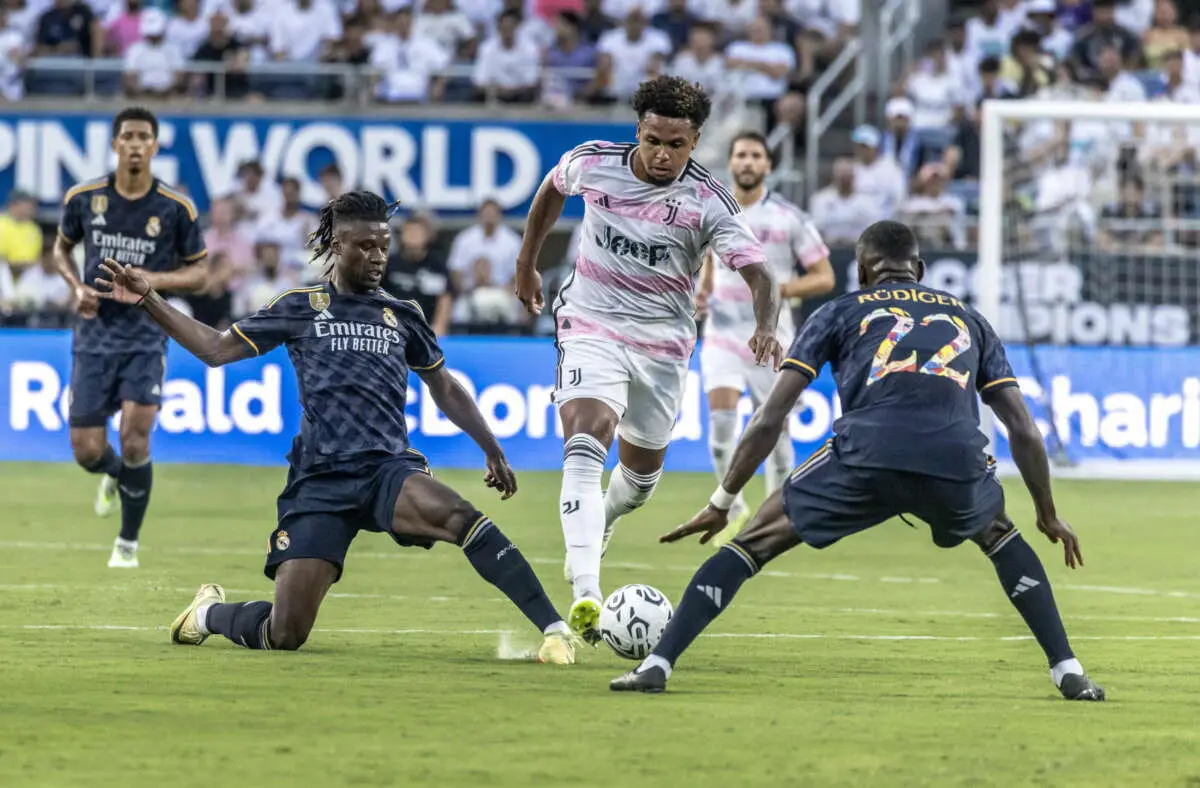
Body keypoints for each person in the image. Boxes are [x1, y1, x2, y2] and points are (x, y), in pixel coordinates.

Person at [610, 220, 1106, 702]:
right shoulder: (969, 319)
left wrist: (723, 500)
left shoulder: (842, 311)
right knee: (1001, 534)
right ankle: (1069, 671)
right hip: (954, 459)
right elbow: (1024, 428)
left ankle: (657, 664)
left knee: (754, 541)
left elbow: (770, 416)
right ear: (921, 268)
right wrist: (1046, 512)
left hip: (868, 454)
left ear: (863, 273)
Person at [93, 190, 581, 664]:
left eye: (384, 245)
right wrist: (150, 299)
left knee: (462, 517)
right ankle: (209, 613)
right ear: (336, 246)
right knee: (284, 635)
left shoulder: (403, 314)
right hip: (320, 480)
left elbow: (445, 387)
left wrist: (491, 447)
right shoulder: (300, 306)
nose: (377, 256)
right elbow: (216, 350)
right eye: (365, 246)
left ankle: (554, 631)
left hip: (386, 468)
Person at [514, 75, 782, 645]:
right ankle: (587, 590)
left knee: (637, 482)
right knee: (587, 437)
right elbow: (550, 189)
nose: (663, 154)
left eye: (676, 145)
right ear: (638, 129)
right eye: (654, 139)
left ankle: (603, 519)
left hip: (663, 343)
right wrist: (527, 262)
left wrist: (765, 324)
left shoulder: (708, 200)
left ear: (695, 141)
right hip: (591, 322)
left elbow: (759, 271)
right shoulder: (594, 163)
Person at [52, 106, 208, 569]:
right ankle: (116, 476)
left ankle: (127, 543)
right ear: (115, 144)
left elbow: (199, 273)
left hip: (146, 334)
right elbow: (61, 248)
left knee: (136, 437)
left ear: (155, 147)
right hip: (94, 335)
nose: (136, 144)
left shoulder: (176, 208)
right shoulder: (84, 198)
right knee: (87, 451)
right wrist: (76, 287)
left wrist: (151, 281)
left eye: (144, 137)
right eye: (128, 136)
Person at [697, 131, 833, 538]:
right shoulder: (714, 212)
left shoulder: (788, 217)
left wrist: (776, 290)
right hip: (722, 334)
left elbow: (824, 277)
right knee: (721, 426)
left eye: (756, 155)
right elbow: (707, 261)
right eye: (741, 155)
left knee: (776, 429)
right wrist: (702, 292)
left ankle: (777, 513)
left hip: (772, 336)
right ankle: (731, 505)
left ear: (768, 165)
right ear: (731, 162)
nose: (748, 162)